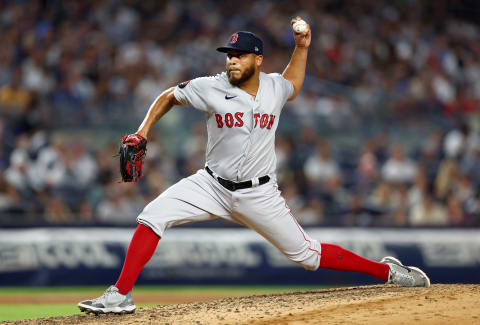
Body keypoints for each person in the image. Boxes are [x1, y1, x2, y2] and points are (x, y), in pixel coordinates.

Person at [78, 18, 430, 315]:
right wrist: (142, 131)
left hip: (259, 192)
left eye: (239, 55)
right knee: (153, 214)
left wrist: (302, 47)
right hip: (211, 185)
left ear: (257, 60)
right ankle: (120, 294)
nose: (231, 60)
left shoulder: (274, 87)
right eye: (229, 55)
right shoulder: (210, 87)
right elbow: (170, 94)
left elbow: (293, 82)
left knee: (307, 255)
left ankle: (388, 271)